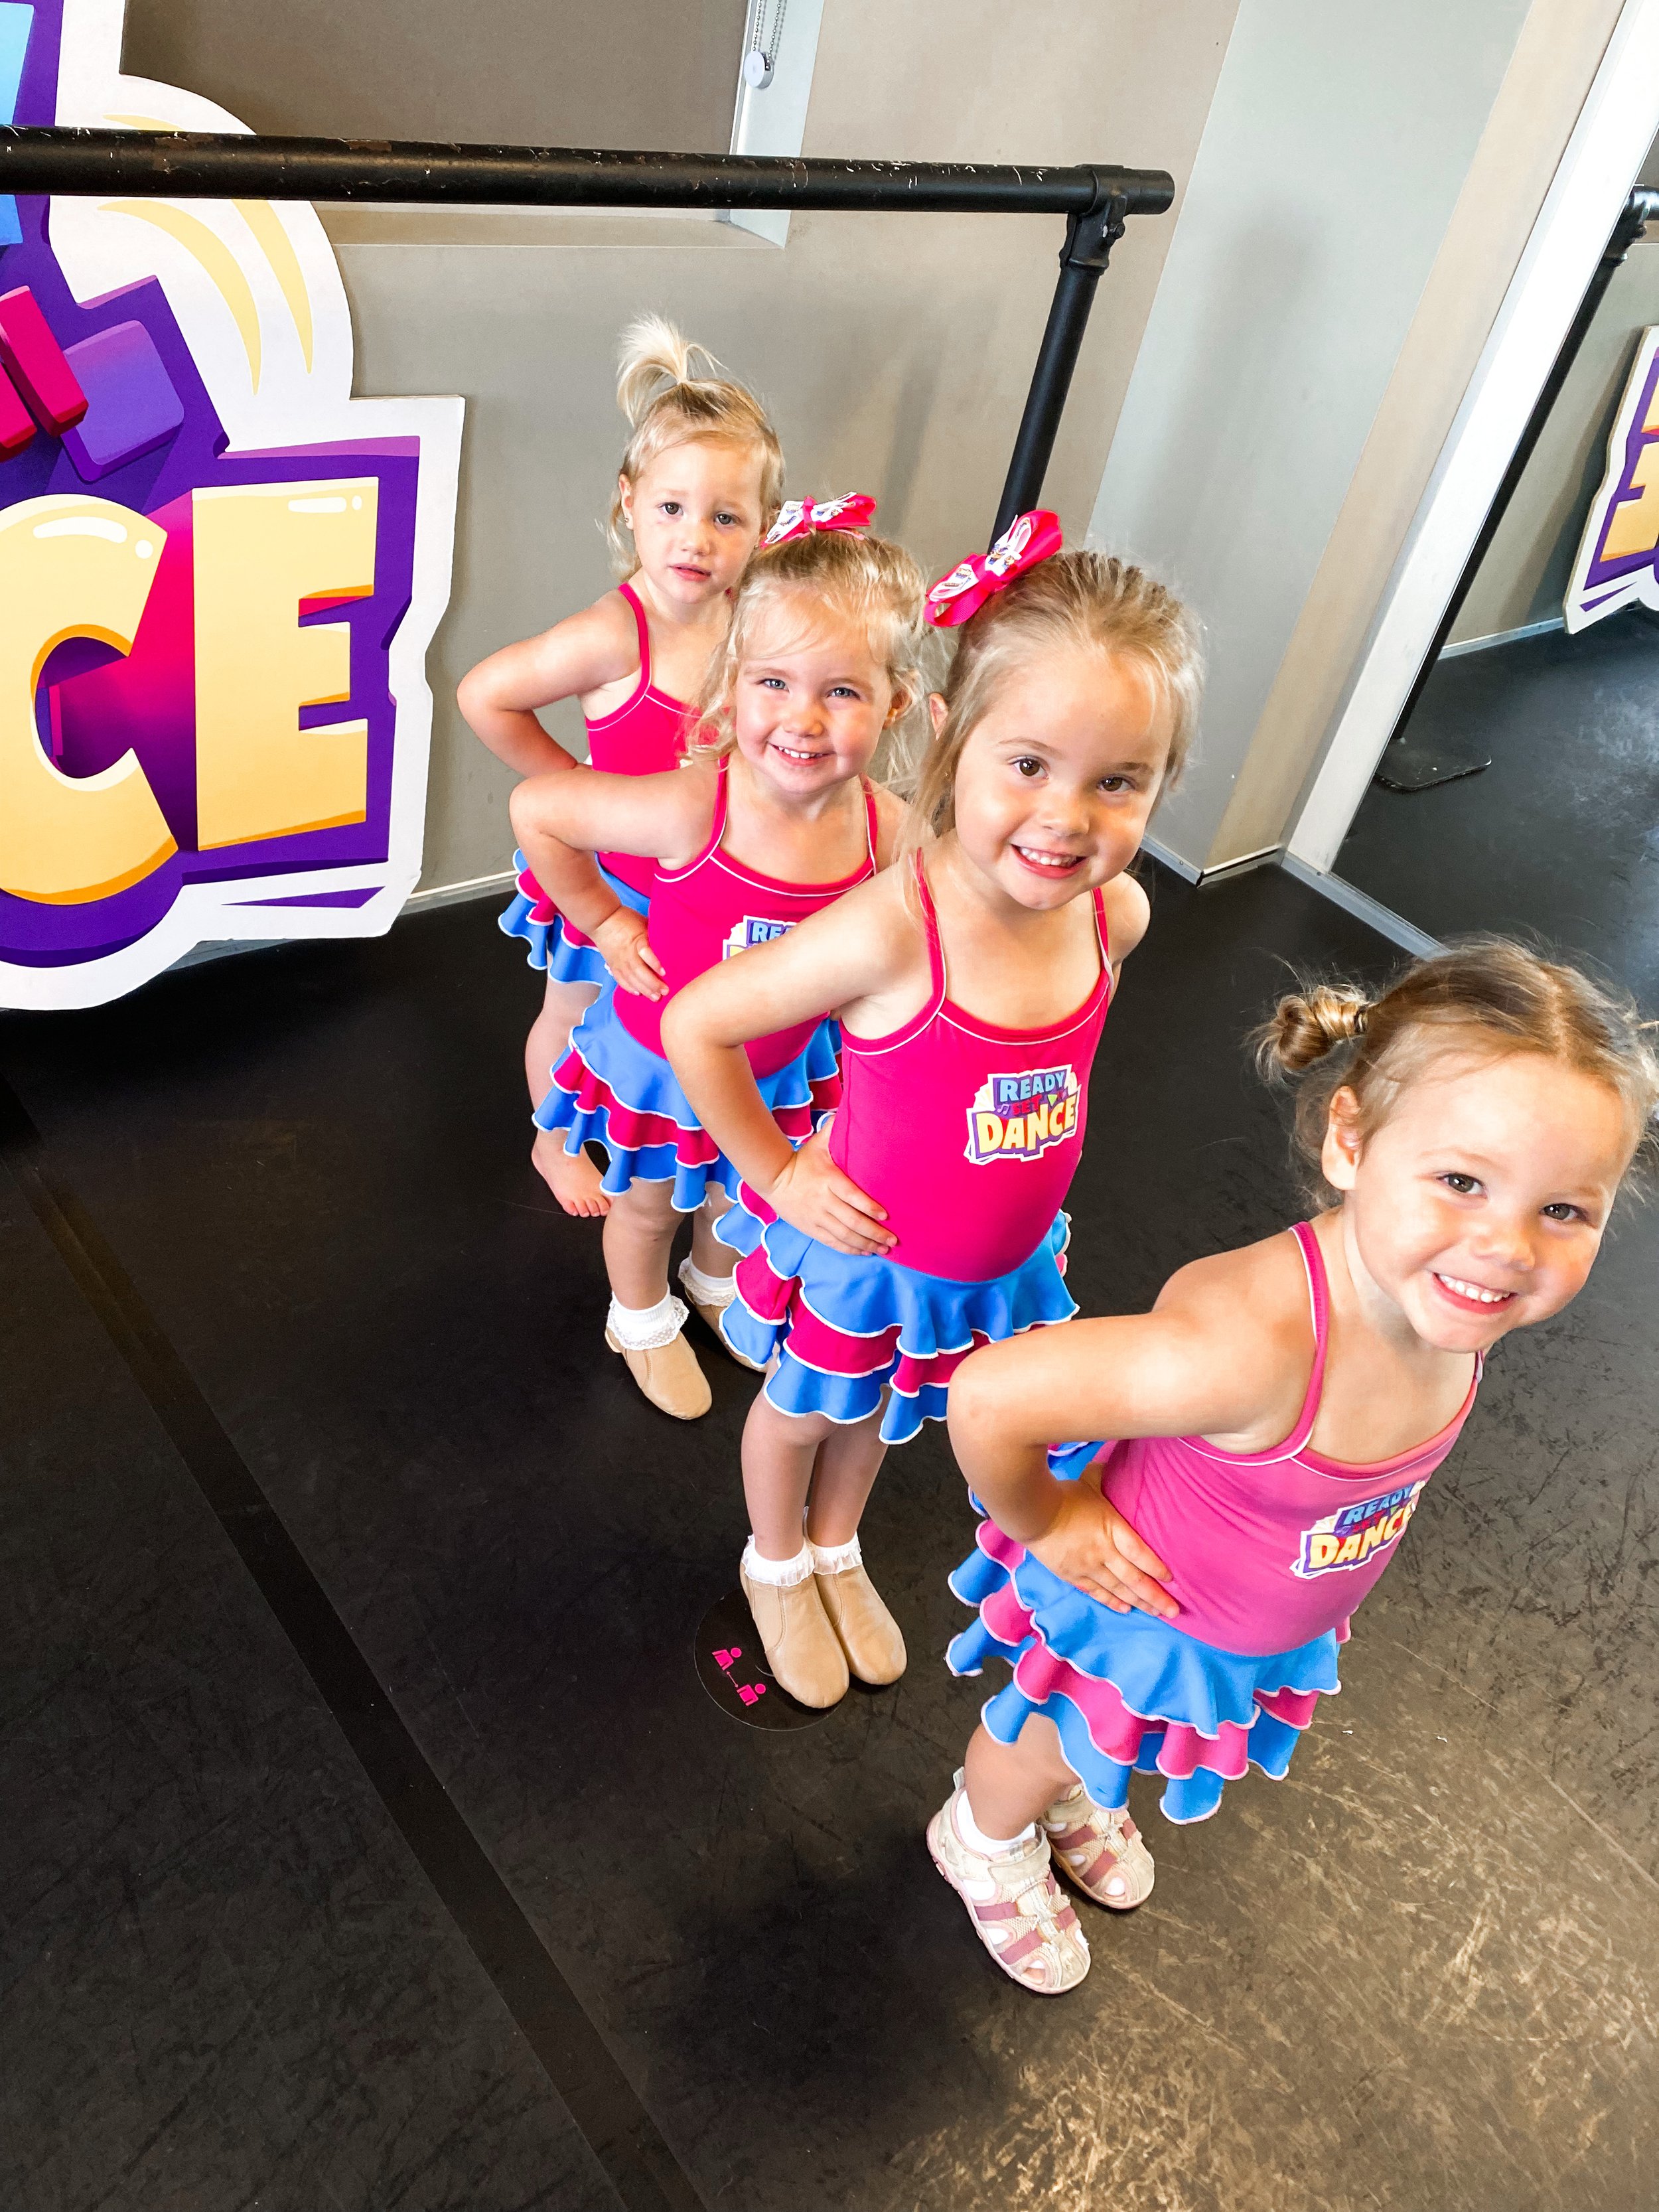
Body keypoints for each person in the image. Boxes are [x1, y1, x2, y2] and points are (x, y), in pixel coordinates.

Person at [930, 941, 1659, 1994]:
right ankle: (983, 1829)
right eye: (1461, 1181)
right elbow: (992, 1395)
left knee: (1098, 1747)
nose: (1507, 1246)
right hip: (1145, 1613)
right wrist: (1047, 1522)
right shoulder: (1247, 1345)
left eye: (1563, 1210)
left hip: (1247, 1619)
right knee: (1045, 1737)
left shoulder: (1452, 1296)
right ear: (1353, 1140)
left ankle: (1070, 1790)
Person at [664, 516, 1202, 1710]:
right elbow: (696, 1021)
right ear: (952, 738)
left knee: (885, 1418)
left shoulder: (1116, 921)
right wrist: (776, 1173)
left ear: (1161, 785)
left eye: (1117, 782)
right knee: (800, 1414)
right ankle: (775, 1556)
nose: (1066, 817)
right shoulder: (891, 927)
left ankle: (840, 1543)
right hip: (866, 1257)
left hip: (987, 1273)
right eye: (1029, 764)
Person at [509, 512, 923, 1420]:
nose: (803, 721)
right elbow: (538, 807)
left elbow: (937, 924)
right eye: (774, 682)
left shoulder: (889, 829)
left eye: (844, 692)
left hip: (775, 1067)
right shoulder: (697, 804)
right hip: (663, 1065)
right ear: (733, 685)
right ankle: (639, 1312)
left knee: (737, 1195)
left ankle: (711, 1277)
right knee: (651, 1205)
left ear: (896, 703)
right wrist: (609, 922)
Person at [458, 315, 782, 1217]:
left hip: (706, 887)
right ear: (628, 503)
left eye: (726, 517)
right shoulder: (613, 633)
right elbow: (486, 694)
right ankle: (550, 1137)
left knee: (685, 1034)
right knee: (574, 1015)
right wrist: (576, 793)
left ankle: (702, 1155)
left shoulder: (753, 624)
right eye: (673, 509)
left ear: (763, 530)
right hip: (611, 884)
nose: (696, 538)